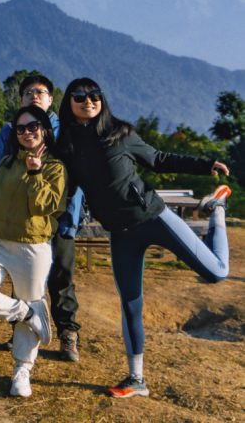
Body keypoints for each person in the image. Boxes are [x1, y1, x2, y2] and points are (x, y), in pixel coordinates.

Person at [56, 77, 230, 398]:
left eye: (94, 95)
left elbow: (160, 160)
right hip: (121, 234)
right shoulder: (65, 145)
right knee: (131, 305)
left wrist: (205, 165)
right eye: (79, 96)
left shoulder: (120, 134)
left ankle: (217, 209)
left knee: (217, 272)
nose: (88, 101)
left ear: (101, 99)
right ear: (68, 102)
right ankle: (137, 379)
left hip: (154, 217)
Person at [0, 105, 68, 397]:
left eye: (33, 126)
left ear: (44, 128)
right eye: (20, 128)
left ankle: (22, 371)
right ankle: (27, 311)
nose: (27, 133)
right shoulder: (7, 162)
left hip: (32, 247)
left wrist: (35, 173)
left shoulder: (55, 167)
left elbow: (44, 206)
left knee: (29, 299)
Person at [0, 74, 84, 361]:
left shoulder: (66, 132)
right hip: (24, 220)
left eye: (41, 91)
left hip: (60, 217)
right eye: (28, 91)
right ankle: (21, 329)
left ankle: (68, 333)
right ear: (20, 99)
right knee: (22, 276)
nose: (34, 95)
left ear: (51, 99)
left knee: (61, 277)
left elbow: (77, 177)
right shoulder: (11, 132)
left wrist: (71, 216)